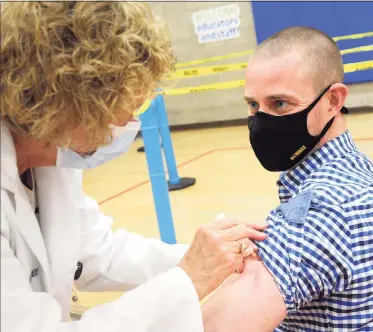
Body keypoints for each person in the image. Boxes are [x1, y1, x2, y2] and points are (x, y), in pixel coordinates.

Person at [0, 2, 267, 331]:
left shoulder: (52, 160)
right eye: (123, 105)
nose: (131, 121)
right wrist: (187, 280)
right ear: (62, 102)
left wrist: (205, 258)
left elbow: (99, 255)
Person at [201, 27, 373, 331]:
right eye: (253, 105)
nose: (260, 121)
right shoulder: (357, 173)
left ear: (333, 100)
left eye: (280, 104)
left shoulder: (326, 209)